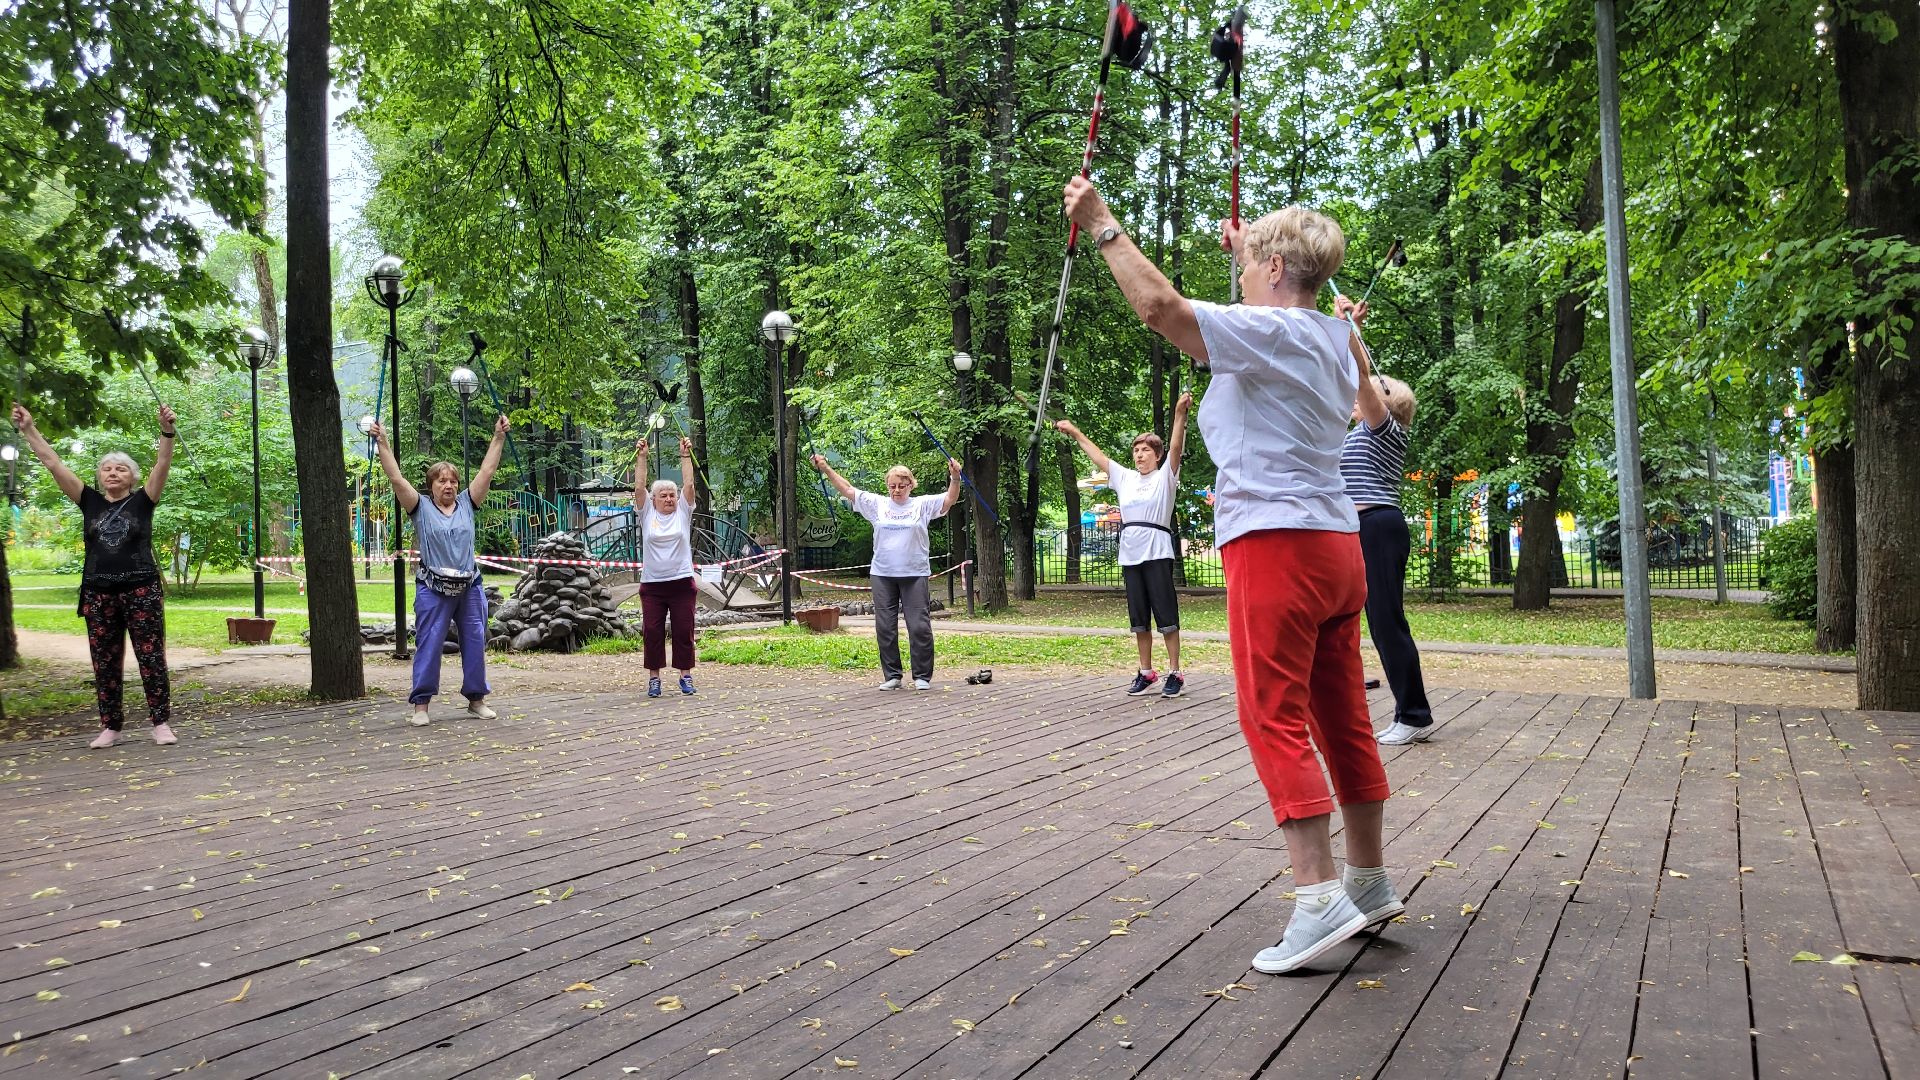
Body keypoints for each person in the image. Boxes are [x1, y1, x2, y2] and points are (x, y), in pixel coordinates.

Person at [1063, 175, 1400, 974]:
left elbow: (1162, 311)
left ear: (1277, 270)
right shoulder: (1326, 334)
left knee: (1270, 716)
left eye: (1254, 264)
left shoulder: (1277, 331)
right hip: (1334, 544)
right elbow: (1288, 310)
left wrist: (1104, 224)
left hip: (1276, 544)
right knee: (1341, 717)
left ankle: (1317, 901)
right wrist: (1252, 253)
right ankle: (1369, 882)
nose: (1243, 272)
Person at [14, 403, 178, 749]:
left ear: (132, 478)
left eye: (121, 469)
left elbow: (162, 464)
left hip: (140, 590)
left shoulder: (144, 501)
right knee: (104, 660)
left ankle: (160, 722)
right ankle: (111, 727)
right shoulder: (88, 501)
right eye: (107, 469)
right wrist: (29, 429)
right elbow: (53, 462)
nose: (113, 473)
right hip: (98, 593)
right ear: (100, 476)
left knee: (151, 657)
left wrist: (166, 431)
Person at [371, 414, 509, 726]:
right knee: (430, 642)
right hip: (433, 587)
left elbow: (487, 471)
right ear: (431, 485)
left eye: (453, 481)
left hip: (469, 586)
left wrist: (498, 436)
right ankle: (421, 706)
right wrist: (383, 443)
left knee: (475, 639)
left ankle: (477, 699)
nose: (448, 485)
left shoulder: (467, 503)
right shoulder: (418, 506)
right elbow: (396, 479)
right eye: (441, 481)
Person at [1055, 392, 1193, 698]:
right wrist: (1075, 431)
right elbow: (1098, 457)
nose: (1140, 454)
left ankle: (1175, 672)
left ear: (1156, 455)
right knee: (1139, 617)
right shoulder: (1125, 478)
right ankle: (1146, 672)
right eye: (1136, 450)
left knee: (1166, 615)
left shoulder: (1165, 477)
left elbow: (1176, 446)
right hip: (1130, 554)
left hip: (1156, 550)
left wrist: (1179, 415)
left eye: (1145, 450)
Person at [1339, 322, 1434, 745]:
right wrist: (1348, 333)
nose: (1361, 398)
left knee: (1386, 622)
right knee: (1350, 618)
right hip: (1356, 529)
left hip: (1378, 526)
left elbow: (1361, 380)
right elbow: (1349, 381)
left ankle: (1412, 714)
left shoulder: (1385, 431)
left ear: (1386, 403)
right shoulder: (1358, 432)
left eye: (1376, 392)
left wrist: (1349, 331)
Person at [810, 454, 961, 690]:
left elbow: (950, 499)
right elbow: (848, 490)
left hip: (914, 573)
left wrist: (955, 477)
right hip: (883, 574)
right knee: (885, 626)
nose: (896, 490)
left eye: (902, 486)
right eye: (892, 486)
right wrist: (826, 468)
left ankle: (922, 676)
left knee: (919, 625)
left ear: (911, 485)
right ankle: (892, 675)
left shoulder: (921, 505)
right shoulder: (877, 504)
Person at [635, 435, 700, 697]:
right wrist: (642, 456)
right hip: (652, 585)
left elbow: (690, 485)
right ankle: (654, 678)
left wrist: (685, 456)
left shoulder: (683, 513)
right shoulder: (646, 513)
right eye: (663, 495)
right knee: (652, 631)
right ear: (654, 500)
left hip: (682, 583)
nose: (670, 499)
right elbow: (639, 488)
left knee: (684, 630)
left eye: (672, 495)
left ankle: (685, 675)